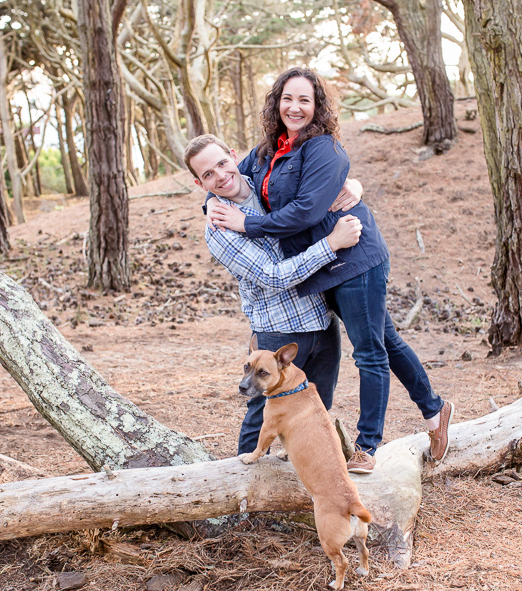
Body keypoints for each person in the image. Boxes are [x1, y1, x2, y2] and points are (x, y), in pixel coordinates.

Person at [207, 67, 454, 473]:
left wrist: (247, 223)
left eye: (305, 100)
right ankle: (434, 410)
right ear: (277, 102)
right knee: (386, 340)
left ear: (318, 106)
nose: (295, 107)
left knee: (370, 351)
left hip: (354, 257)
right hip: (323, 263)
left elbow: (304, 212)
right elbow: (233, 179)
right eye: (288, 98)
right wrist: (213, 207)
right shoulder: (268, 150)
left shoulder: (324, 149)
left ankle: (367, 448)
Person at [184, 134, 365, 455]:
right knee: (261, 415)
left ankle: (297, 483)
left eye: (223, 164)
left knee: (316, 407)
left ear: (233, 155)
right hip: (278, 327)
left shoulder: (270, 181)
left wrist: (353, 184)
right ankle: (246, 498)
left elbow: (317, 186)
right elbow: (273, 276)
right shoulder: (218, 227)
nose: (221, 176)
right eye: (208, 175)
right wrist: (332, 244)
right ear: (201, 184)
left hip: (322, 318)